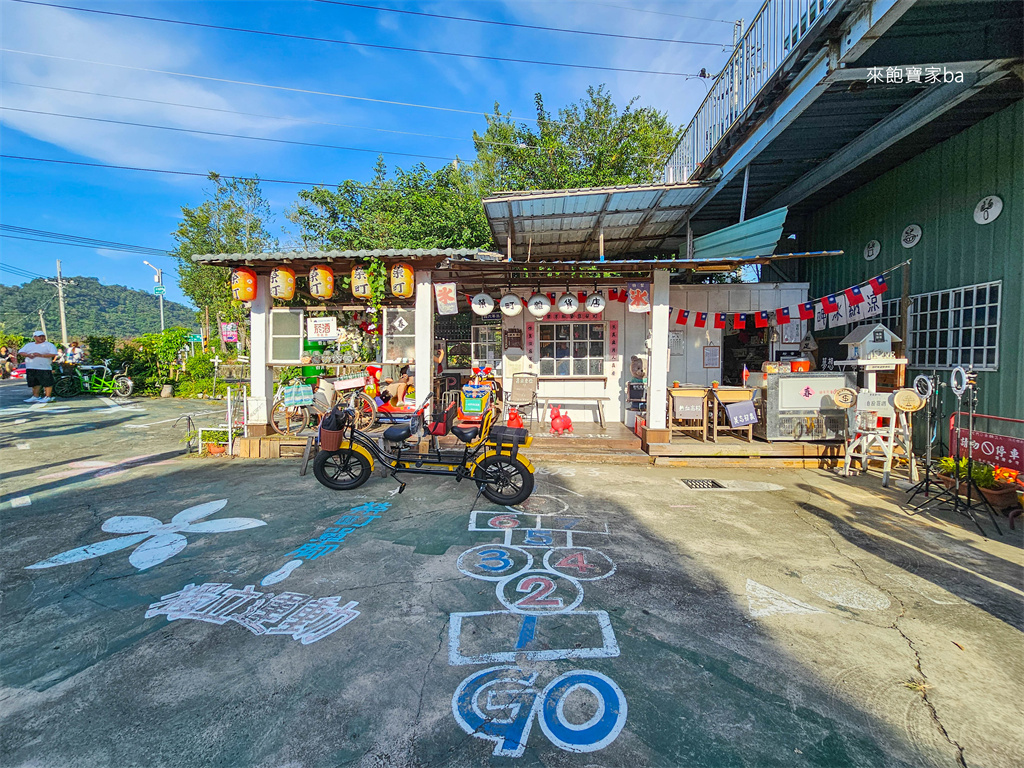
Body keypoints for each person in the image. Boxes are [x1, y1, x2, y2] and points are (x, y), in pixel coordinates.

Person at [18, 330, 59, 403]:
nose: (42, 338)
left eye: (43, 336)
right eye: (39, 336)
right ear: (35, 337)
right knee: (34, 383)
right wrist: (28, 355)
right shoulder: (29, 345)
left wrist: (41, 355)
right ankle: (36, 396)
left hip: (44, 367)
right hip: (31, 366)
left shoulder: (49, 345)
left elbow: (53, 354)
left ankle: (48, 396)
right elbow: (21, 352)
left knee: (47, 382)